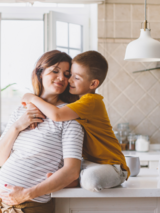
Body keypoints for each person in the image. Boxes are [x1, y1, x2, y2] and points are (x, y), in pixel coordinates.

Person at [0, 50, 84, 213]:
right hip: (1, 205)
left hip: (28, 210)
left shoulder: (69, 119)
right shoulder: (21, 111)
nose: (61, 78)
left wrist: (24, 194)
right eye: (55, 71)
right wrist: (18, 126)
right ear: (40, 73)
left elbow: (72, 171)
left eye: (67, 74)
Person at [22, 50, 130, 192]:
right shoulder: (77, 103)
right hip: (88, 163)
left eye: (76, 77)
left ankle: (74, 180)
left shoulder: (91, 101)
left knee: (91, 180)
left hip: (112, 166)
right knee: (71, 170)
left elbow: (57, 114)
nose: (69, 80)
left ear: (93, 84)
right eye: (70, 75)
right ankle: (73, 179)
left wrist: (32, 97)